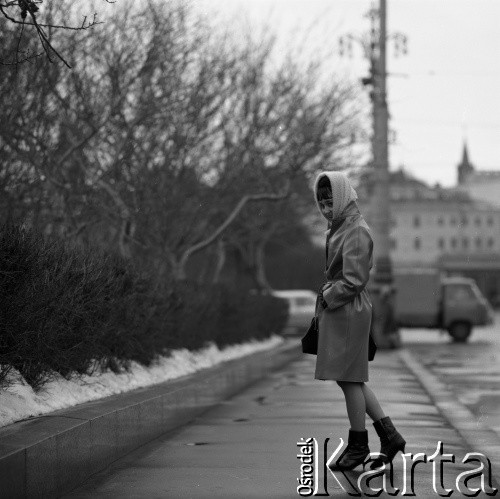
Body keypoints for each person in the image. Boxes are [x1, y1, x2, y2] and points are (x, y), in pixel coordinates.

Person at [313, 171, 406, 471]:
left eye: (330, 202)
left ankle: (359, 445)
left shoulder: (354, 229)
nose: (326, 209)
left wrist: (328, 296)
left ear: (342, 196)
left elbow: (353, 280)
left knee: (351, 378)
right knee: (350, 377)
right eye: (322, 204)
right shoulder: (343, 224)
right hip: (345, 308)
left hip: (348, 308)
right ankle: (388, 436)